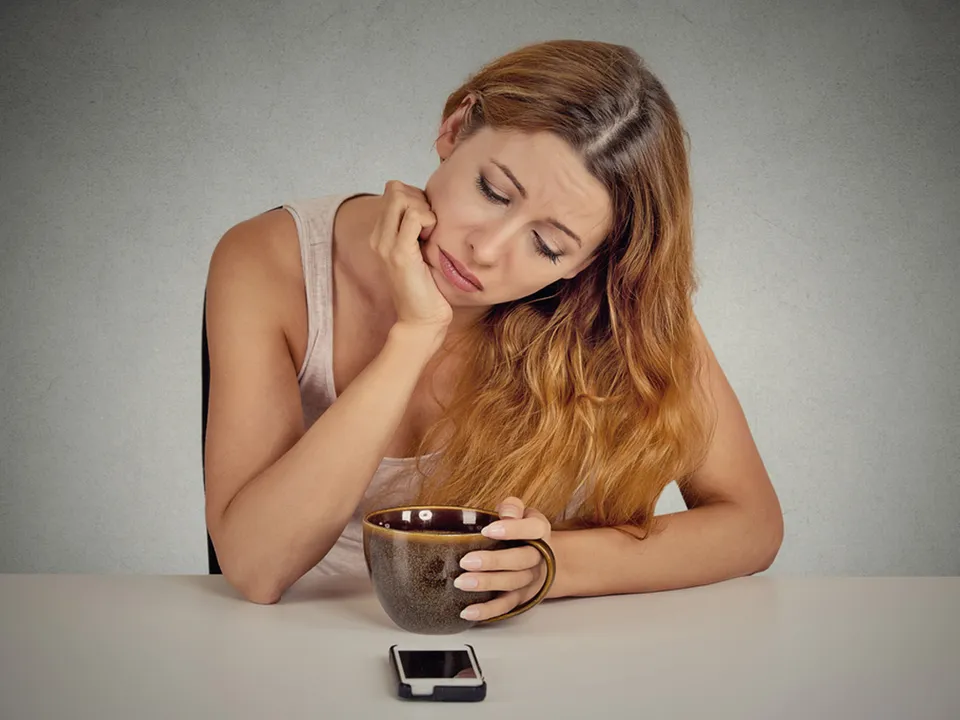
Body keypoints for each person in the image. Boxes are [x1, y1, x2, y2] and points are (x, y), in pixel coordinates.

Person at [202, 39, 784, 615]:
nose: (486, 250)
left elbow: (751, 525)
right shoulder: (270, 260)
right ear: (454, 129)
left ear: (587, 263)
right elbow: (257, 568)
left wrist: (550, 566)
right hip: (301, 645)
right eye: (493, 192)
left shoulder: (619, 309)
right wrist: (413, 338)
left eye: (547, 245)